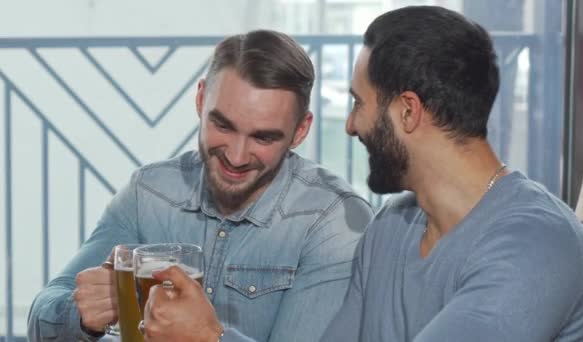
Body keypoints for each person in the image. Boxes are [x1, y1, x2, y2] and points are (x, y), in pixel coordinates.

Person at [27, 29, 373, 342]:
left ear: (300, 130)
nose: (236, 157)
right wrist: (81, 316)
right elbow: (41, 319)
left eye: (263, 137)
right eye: (222, 126)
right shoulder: (148, 192)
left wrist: (210, 339)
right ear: (200, 100)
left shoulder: (333, 221)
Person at [321, 6, 583, 342]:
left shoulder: (538, 244)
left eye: (358, 103)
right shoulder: (389, 227)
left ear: (408, 111)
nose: (351, 126)